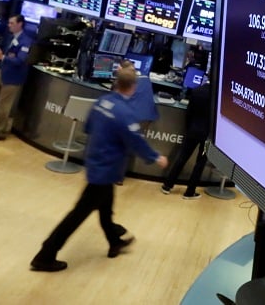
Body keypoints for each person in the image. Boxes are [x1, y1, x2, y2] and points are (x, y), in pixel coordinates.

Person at [30, 68, 169, 272]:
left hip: (95, 163)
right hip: (106, 170)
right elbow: (136, 142)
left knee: (105, 209)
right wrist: (156, 157)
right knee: (77, 215)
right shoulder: (125, 113)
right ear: (133, 87)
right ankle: (45, 254)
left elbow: (88, 128)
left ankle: (114, 242)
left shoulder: (102, 102)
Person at [160, 77, 211, 199]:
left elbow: (189, 112)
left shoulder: (197, 90)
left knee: (182, 157)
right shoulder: (218, 96)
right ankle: (190, 192)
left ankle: (167, 185)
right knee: (200, 163)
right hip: (207, 137)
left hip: (192, 131)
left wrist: (188, 128)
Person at [0, 14, 33, 141]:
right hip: (2, 73)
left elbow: (20, 60)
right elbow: (8, 54)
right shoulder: (11, 37)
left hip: (12, 78)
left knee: (3, 105)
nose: (9, 25)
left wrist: (3, 57)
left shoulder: (26, 41)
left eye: (12, 23)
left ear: (20, 24)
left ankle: (0, 131)